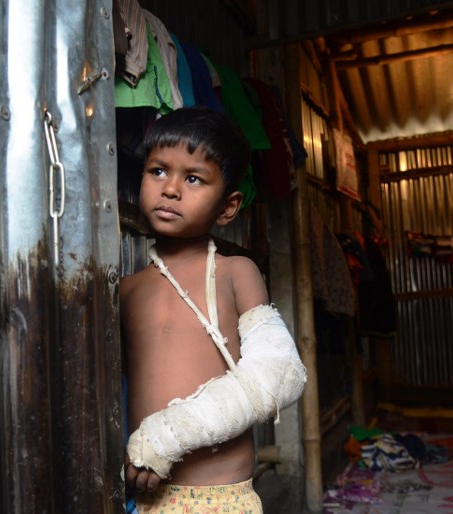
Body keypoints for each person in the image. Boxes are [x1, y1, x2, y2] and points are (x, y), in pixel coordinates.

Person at [120, 106, 306, 513]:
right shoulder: (126, 291)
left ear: (228, 207)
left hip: (221, 497)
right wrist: (142, 452)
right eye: (157, 171)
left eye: (193, 178)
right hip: (148, 495)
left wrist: (166, 436)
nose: (170, 189)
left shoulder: (235, 273)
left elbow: (280, 373)